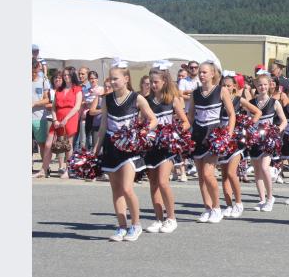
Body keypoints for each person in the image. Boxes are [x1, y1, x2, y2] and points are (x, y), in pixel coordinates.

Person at [93, 61, 158, 242]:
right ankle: (122, 227)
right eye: (110, 79)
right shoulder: (106, 99)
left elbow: (153, 120)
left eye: (116, 78)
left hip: (129, 148)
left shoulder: (136, 98)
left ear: (126, 79)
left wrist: (141, 132)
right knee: (116, 190)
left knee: (127, 188)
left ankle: (136, 225)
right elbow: (104, 125)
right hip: (111, 147)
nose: (112, 82)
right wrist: (95, 150)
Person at [187, 61, 236, 224]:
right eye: (200, 72)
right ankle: (207, 208)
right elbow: (191, 116)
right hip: (198, 134)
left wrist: (228, 133)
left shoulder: (221, 91)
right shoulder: (195, 93)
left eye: (204, 72)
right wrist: (183, 133)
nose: (201, 75)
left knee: (209, 174)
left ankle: (217, 208)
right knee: (201, 175)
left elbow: (231, 114)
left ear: (213, 74)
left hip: (214, 133)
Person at [143, 63, 190, 234]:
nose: (153, 85)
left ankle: (171, 218)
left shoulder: (172, 99)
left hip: (168, 147)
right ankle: (158, 219)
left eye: (156, 82)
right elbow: (142, 122)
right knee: (154, 183)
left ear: (164, 81)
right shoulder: (146, 101)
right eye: (151, 82)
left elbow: (186, 122)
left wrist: (173, 133)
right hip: (151, 146)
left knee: (163, 181)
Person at [218, 73, 261, 217]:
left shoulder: (238, 100)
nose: (225, 88)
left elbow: (257, 112)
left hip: (236, 140)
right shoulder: (218, 101)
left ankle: (238, 203)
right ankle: (228, 205)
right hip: (221, 139)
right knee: (224, 175)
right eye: (223, 85)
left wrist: (247, 126)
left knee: (231, 172)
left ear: (234, 87)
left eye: (228, 85)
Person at [248, 72, 288, 211]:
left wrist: (277, 130)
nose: (262, 87)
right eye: (260, 85)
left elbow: (284, 121)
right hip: (254, 139)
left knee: (265, 167)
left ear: (270, 85)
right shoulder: (251, 103)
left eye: (265, 84)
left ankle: (271, 198)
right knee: (257, 171)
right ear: (256, 86)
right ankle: (262, 199)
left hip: (268, 140)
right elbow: (248, 120)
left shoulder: (274, 102)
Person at [38, 68, 83, 179]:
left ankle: (68, 170)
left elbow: (77, 107)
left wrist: (66, 119)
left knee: (68, 146)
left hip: (70, 117)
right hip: (57, 118)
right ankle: (44, 169)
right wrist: (55, 119)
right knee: (48, 144)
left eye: (68, 75)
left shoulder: (77, 89)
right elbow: (53, 108)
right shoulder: (59, 89)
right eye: (64, 75)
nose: (66, 77)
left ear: (72, 75)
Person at [32, 59, 51, 174]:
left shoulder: (43, 81)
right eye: (33, 71)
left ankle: (45, 168)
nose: (35, 73)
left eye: (36, 70)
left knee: (41, 143)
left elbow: (47, 99)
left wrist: (35, 103)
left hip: (39, 117)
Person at [82, 71, 103, 149]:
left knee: (96, 136)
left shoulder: (102, 89)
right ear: (88, 80)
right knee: (87, 137)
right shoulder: (85, 91)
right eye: (91, 78)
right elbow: (83, 102)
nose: (93, 80)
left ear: (97, 79)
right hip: (87, 115)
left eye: (94, 78)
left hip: (98, 115)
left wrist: (90, 102)